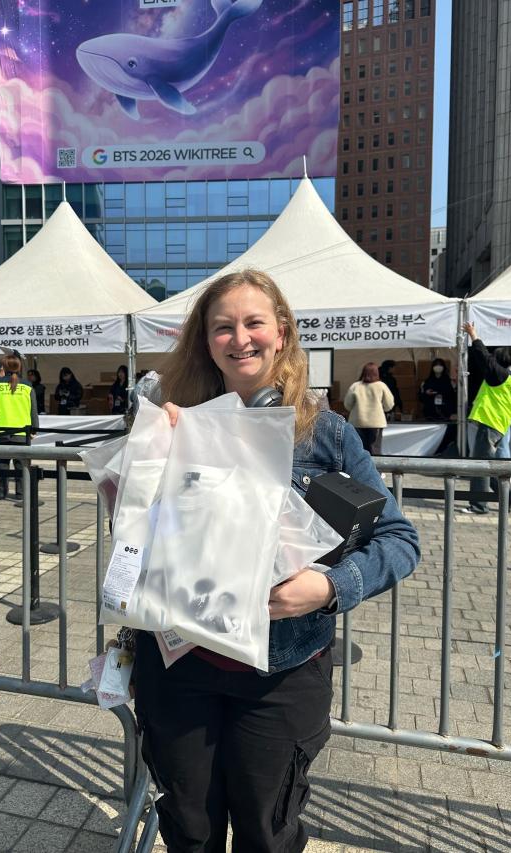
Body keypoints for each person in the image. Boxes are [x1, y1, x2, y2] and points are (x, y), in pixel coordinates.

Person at [132, 269, 419, 851]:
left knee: (268, 833)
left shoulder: (327, 435)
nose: (240, 338)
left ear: (281, 334)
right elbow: (133, 526)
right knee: (190, 831)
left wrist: (330, 586)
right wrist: (141, 459)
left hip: (281, 673)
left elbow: (399, 539)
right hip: (178, 663)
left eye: (254, 322)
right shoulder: (171, 422)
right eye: (223, 327)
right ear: (205, 341)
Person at [461, 321, 511, 514]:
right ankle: (510, 496)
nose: (494, 363)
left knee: (479, 467)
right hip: (499, 426)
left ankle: (478, 505)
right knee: (489, 467)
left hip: (490, 424)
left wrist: (473, 334)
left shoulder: (502, 376)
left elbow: (484, 357)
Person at [0, 355, 38, 500]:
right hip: (22, 430)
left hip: (0, 429)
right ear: (19, 367)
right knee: (21, 465)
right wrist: (34, 428)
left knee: (1, 463)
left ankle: (1, 491)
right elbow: (33, 410)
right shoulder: (27, 386)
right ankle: (21, 493)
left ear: (4, 368)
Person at [343, 362, 395, 455]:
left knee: (359, 449)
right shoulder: (381, 386)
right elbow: (389, 404)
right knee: (374, 449)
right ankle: (374, 468)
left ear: (363, 373)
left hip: (357, 422)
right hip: (376, 423)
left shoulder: (355, 386)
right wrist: (384, 409)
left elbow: (347, 405)